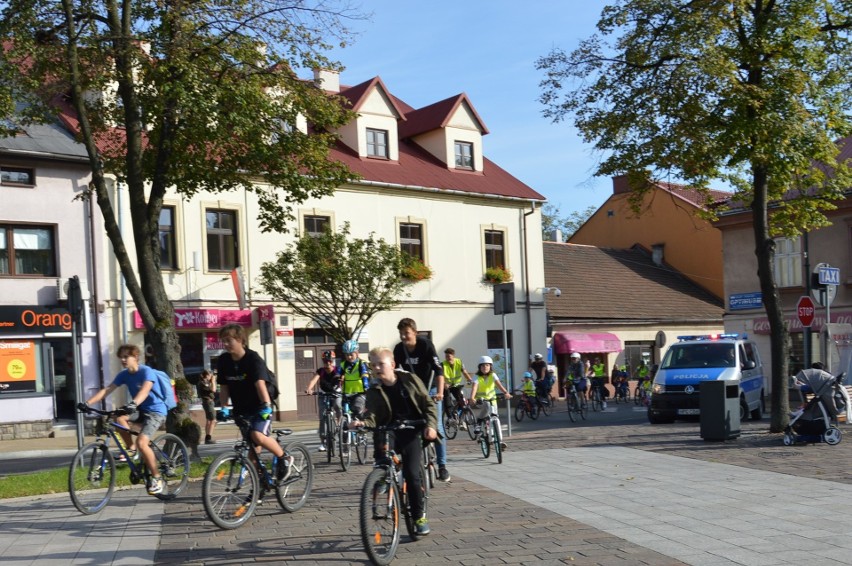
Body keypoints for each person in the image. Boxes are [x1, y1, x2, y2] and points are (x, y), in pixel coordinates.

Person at [352, 346, 438, 536]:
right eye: (373, 365)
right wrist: (362, 423)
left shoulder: (410, 380)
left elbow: (428, 404)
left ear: (392, 364)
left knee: (411, 474)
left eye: (381, 364)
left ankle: (418, 517)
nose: (377, 368)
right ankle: (382, 474)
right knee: (381, 451)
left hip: (412, 428)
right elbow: (373, 416)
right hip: (389, 429)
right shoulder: (374, 389)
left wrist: (430, 426)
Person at [81, 344, 169, 495]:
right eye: (120, 357)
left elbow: (145, 390)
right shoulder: (124, 374)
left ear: (135, 357)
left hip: (156, 411)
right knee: (118, 417)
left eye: (125, 357)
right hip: (140, 409)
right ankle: (131, 449)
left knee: (142, 442)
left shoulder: (146, 371)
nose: (122, 360)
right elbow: (107, 390)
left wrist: (133, 404)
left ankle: (157, 478)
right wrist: (87, 403)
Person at [216, 323, 292, 494]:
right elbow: (224, 387)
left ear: (240, 340)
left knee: (257, 435)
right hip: (241, 410)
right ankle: (260, 486)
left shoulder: (253, 359)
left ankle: (284, 457)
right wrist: (224, 408)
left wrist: (266, 407)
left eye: (229, 340)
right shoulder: (224, 360)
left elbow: (260, 384)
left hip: (259, 407)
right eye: (223, 341)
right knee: (252, 455)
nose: (226, 344)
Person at [393, 317, 450, 482]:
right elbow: (395, 372)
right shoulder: (399, 349)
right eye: (401, 334)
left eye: (407, 333)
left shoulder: (425, 346)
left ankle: (442, 466)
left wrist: (440, 393)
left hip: (430, 388)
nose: (404, 337)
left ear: (415, 333)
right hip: (412, 390)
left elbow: (438, 371)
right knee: (406, 423)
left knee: (436, 426)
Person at [469, 355, 512, 448]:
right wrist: (472, 397)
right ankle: (479, 422)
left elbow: (499, 385)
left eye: (487, 365)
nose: (485, 367)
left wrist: (506, 393)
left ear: (490, 366)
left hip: (493, 400)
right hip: (481, 401)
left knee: (495, 419)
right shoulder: (476, 376)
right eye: (483, 365)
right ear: (479, 367)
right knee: (487, 406)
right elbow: (474, 387)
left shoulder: (493, 375)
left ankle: (499, 441)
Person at [305, 350, 342, 452]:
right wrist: (309, 389)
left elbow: (342, 379)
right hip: (323, 394)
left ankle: (339, 423)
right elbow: (313, 380)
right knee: (322, 417)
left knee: (338, 405)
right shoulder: (321, 371)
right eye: (325, 361)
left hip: (336, 393)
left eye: (329, 361)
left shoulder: (337, 370)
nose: (328, 363)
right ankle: (323, 443)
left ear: (333, 361)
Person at [340, 339, 370, 419]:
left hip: (359, 392)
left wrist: (366, 385)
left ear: (357, 353)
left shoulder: (361, 363)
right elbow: (337, 375)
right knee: (344, 412)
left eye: (351, 354)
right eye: (347, 355)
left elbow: (364, 374)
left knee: (357, 409)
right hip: (346, 393)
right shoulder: (343, 364)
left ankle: (361, 427)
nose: (349, 357)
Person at [442, 347, 472, 422]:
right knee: (447, 400)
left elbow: (464, 372)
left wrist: (470, 380)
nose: (447, 358)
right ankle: (450, 418)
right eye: (446, 356)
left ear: (453, 356)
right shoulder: (443, 364)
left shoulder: (459, 362)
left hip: (456, 385)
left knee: (462, 401)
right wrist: (445, 384)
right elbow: (441, 376)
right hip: (447, 386)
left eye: (449, 356)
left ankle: (456, 414)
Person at [196, 369, 217, 444]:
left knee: (209, 420)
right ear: (207, 375)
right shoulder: (203, 383)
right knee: (213, 420)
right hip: (208, 402)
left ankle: (207, 437)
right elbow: (214, 390)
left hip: (208, 402)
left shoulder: (204, 382)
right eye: (210, 375)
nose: (211, 377)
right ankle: (208, 438)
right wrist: (213, 381)